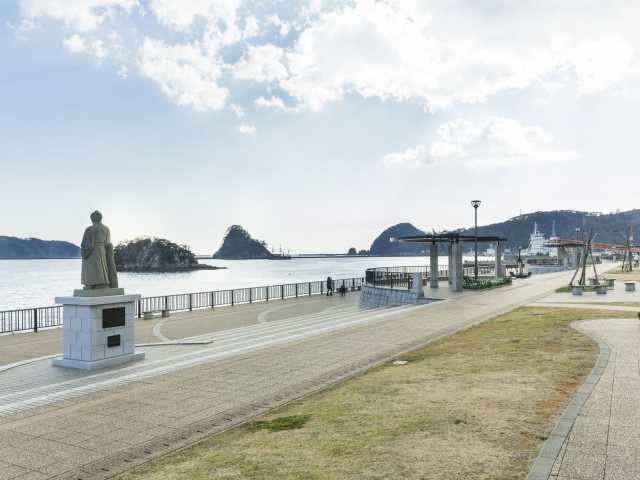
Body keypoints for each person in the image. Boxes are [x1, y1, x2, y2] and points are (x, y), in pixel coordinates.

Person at [81, 210, 118, 289]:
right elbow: (108, 242)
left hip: (92, 252)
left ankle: (92, 284)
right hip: (103, 250)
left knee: (92, 268)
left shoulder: (89, 229)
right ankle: (103, 283)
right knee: (103, 267)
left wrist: (85, 250)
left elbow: (85, 244)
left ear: (92, 219)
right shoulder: (106, 229)